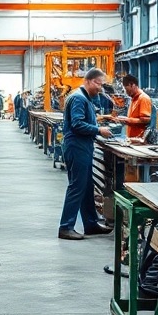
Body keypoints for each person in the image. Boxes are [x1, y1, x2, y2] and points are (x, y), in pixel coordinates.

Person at [58, 68, 114, 240]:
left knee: (87, 186)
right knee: (77, 186)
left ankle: (90, 224)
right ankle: (66, 227)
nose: (100, 88)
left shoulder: (86, 99)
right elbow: (77, 124)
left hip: (83, 146)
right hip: (77, 146)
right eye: (98, 83)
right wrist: (98, 129)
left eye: (102, 84)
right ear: (88, 81)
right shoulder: (78, 98)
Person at [119, 74, 153, 140]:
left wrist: (128, 120)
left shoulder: (143, 98)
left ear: (132, 85)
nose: (126, 92)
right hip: (132, 139)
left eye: (126, 88)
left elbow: (146, 120)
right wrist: (126, 119)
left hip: (140, 139)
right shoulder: (134, 99)